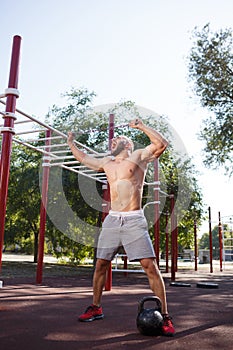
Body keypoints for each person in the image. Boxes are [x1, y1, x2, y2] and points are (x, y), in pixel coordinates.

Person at [67, 118, 175, 336]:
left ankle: (165, 316)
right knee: (100, 265)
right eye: (113, 138)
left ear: (128, 145)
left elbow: (162, 144)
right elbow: (83, 158)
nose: (113, 139)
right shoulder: (107, 162)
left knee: (149, 266)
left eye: (119, 138)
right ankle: (96, 307)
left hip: (133, 219)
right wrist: (71, 143)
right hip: (113, 219)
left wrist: (141, 126)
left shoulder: (137, 158)